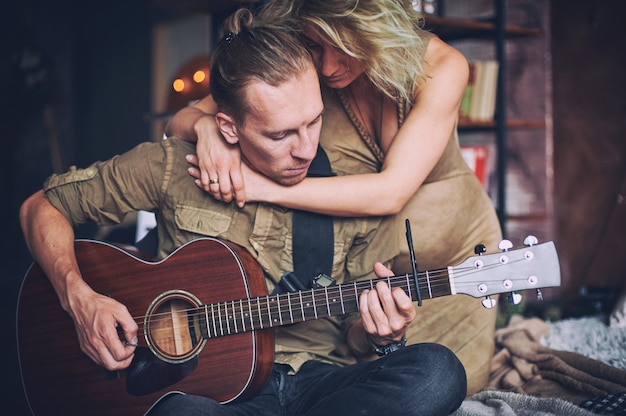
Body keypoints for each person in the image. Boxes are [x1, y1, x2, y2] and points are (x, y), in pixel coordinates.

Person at [19, 9, 466, 416]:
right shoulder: (175, 165)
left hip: (317, 384)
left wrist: (379, 333)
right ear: (229, 126)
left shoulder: (345, 187)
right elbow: (41, 207)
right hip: (210, 396)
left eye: (314, 122)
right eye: (281, 135)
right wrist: (79, 299)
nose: (306, 148)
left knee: (437, 372)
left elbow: (352, 333)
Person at [166, 0, 502, 395]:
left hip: (455, 258)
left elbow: (391, 192)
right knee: (358, 386)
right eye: (315, 44)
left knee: (447, 393)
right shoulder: (301, 59)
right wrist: (207, 129)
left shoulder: (444, 66)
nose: (326, 67)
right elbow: (178, 123)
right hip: (365, 269)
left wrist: (262, 188)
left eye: (343, 44)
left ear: (376, 26)